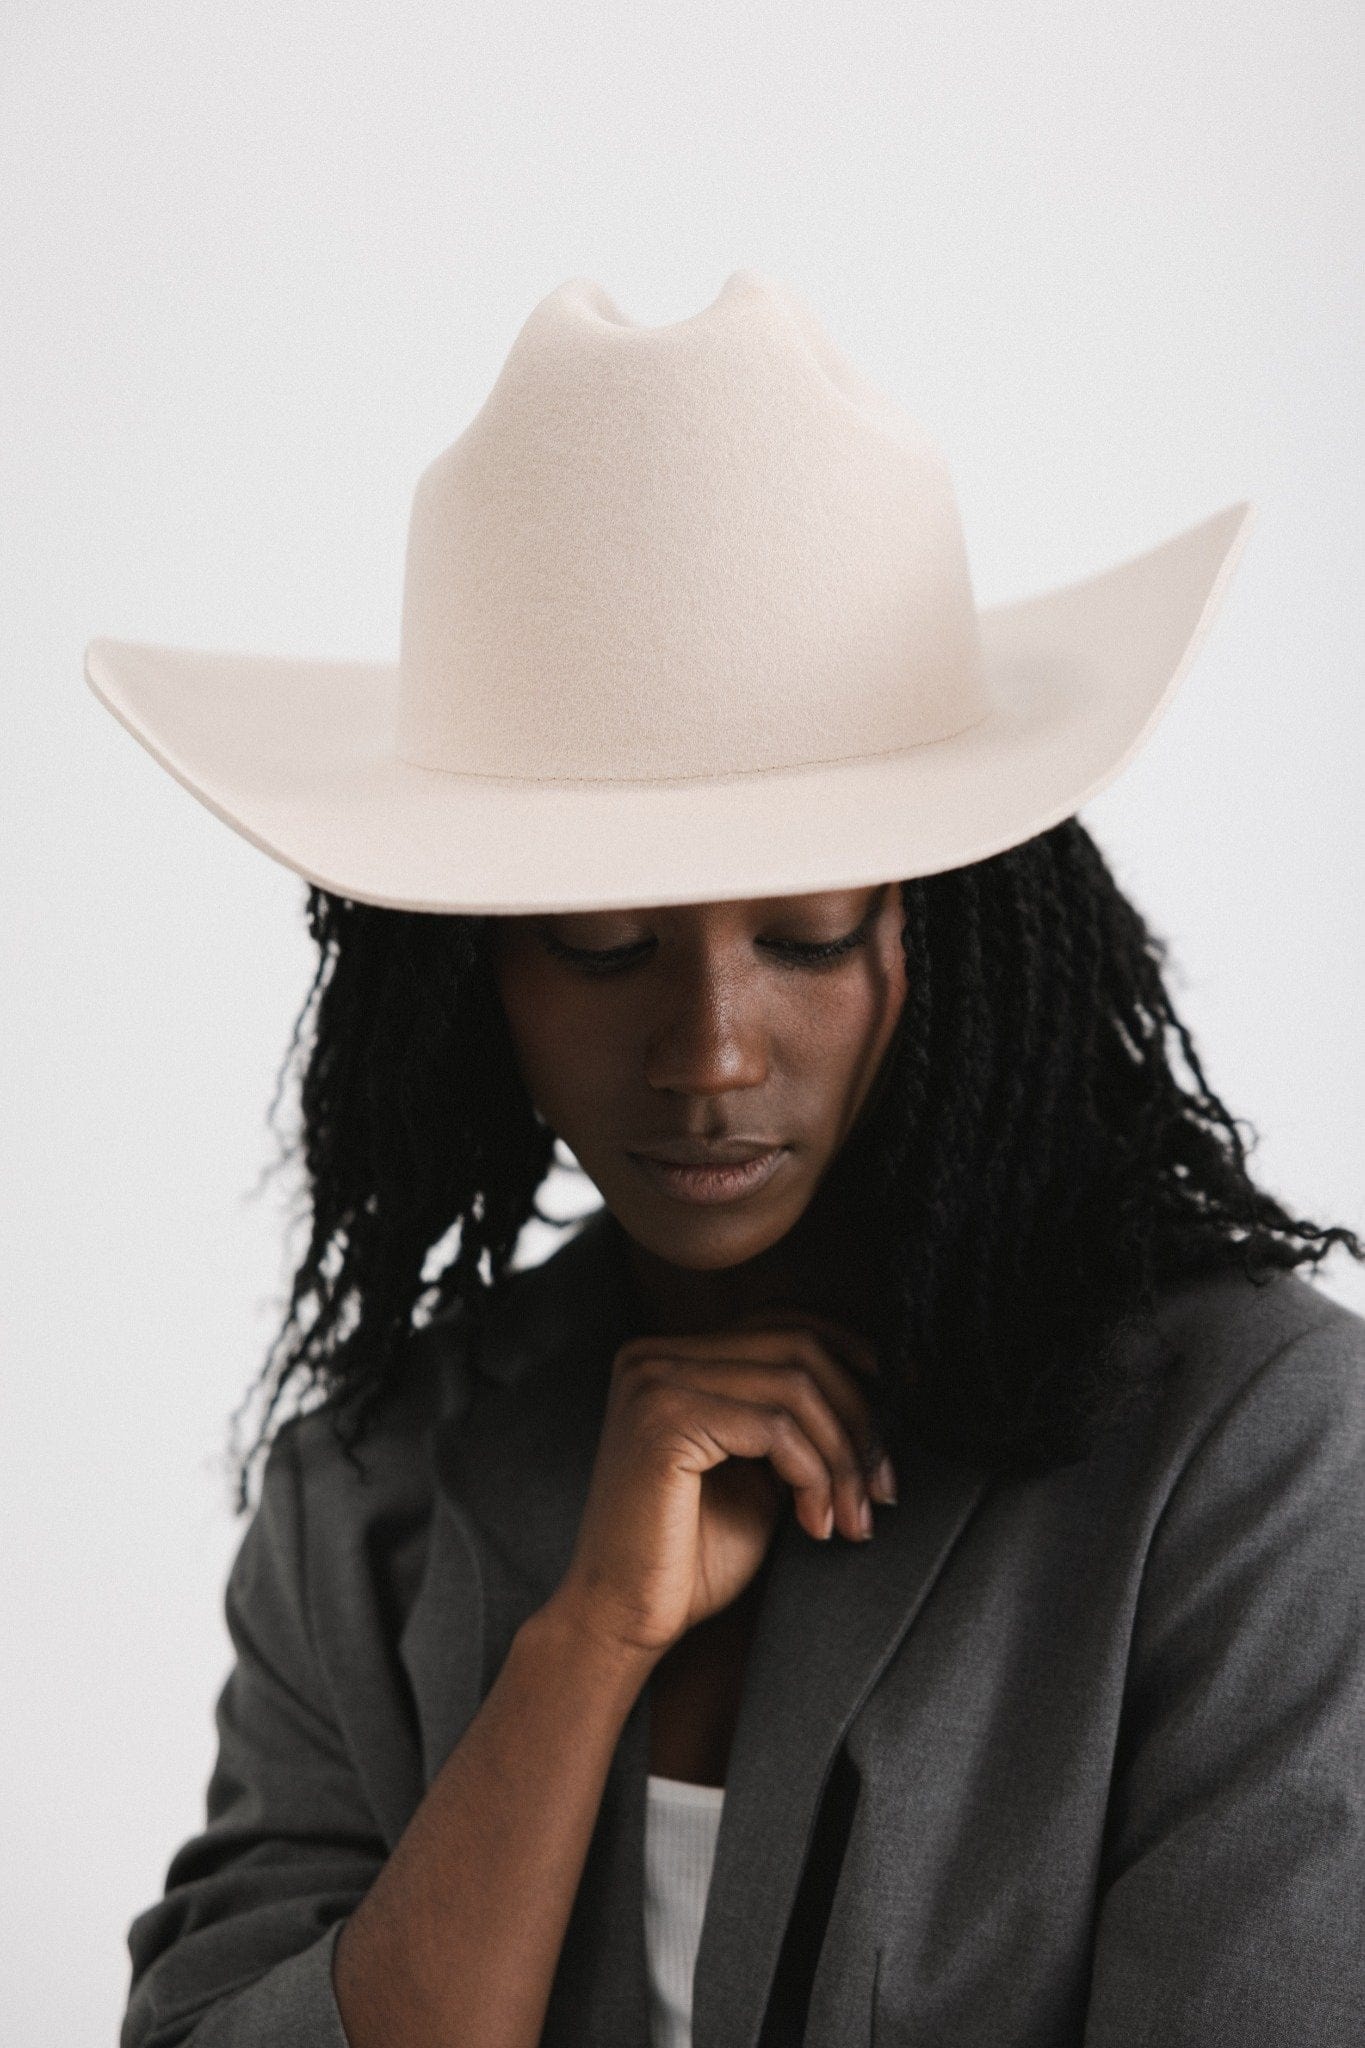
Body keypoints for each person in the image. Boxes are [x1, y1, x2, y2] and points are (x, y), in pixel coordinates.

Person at [87, 272, 1365, 2048]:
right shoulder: (369, 1496)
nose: (704, 1054)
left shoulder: (1243, 1453)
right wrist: (583, 1645)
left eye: (809, 937)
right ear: (469, 972)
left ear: (952, 929)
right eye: (601, 948)